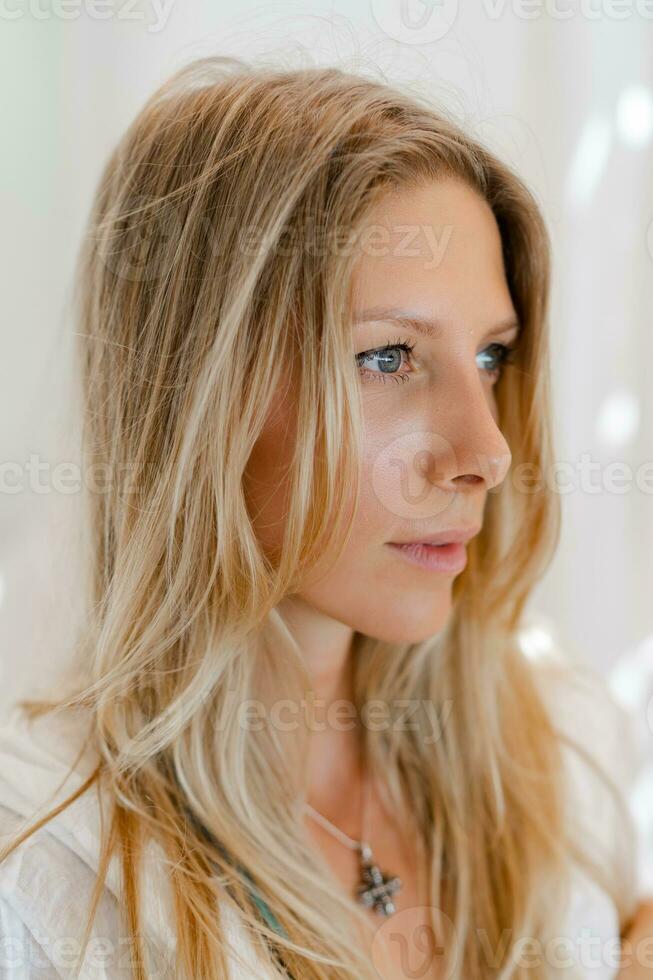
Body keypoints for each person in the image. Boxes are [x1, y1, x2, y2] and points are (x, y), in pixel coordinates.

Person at [0, 55, 649, 980]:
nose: (486, 451)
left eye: (491, 356)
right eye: (388, 358)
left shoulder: (558, 758)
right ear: (200, 391)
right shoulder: (45, 878)